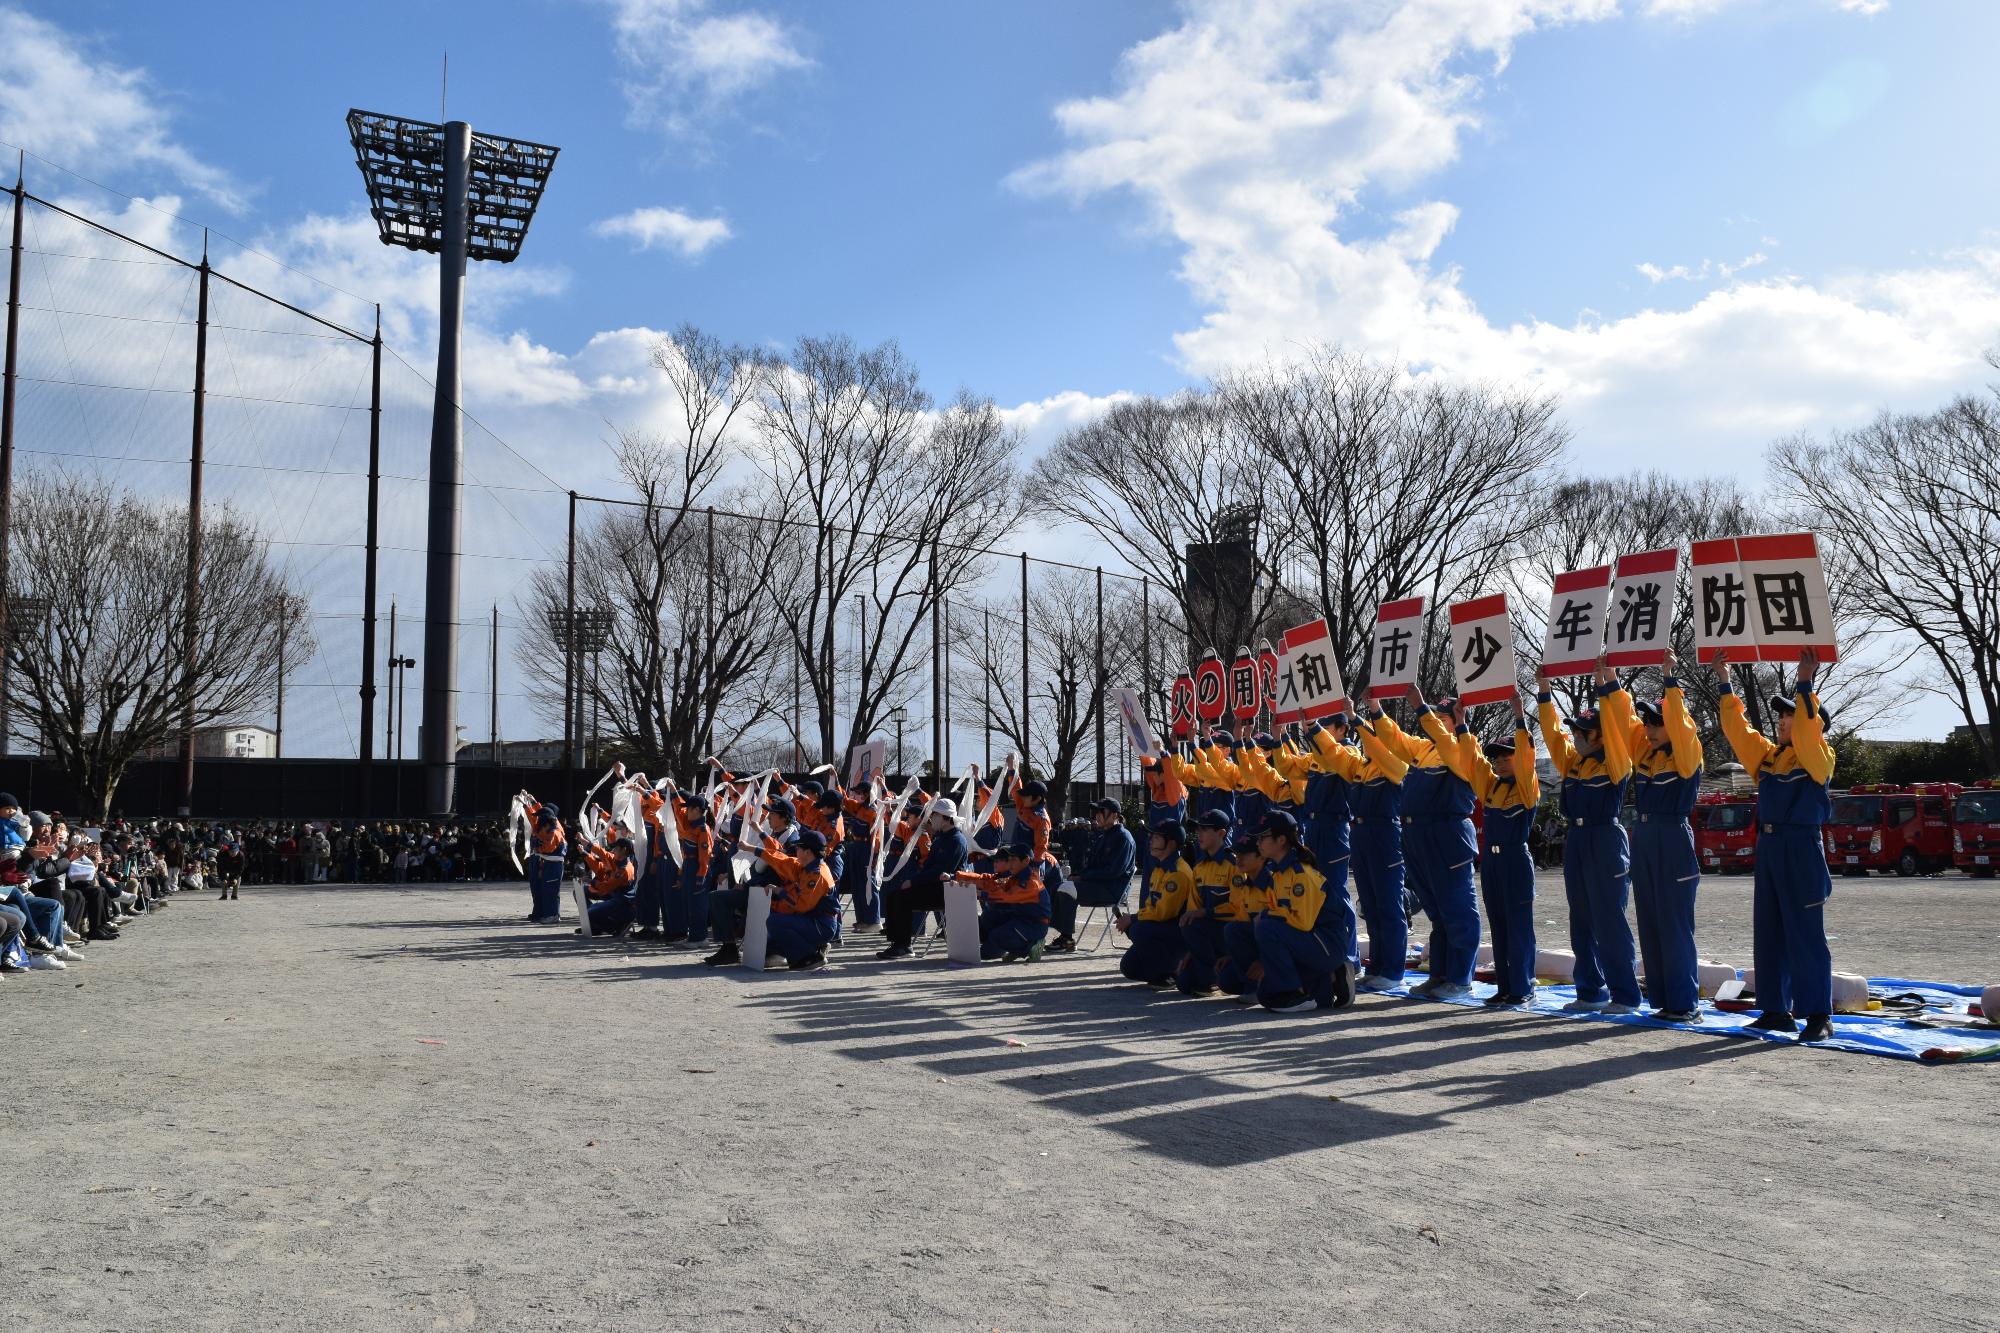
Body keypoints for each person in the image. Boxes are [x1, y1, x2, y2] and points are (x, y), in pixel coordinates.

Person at [1716, 646, 1838, 1043]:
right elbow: (1739, 731)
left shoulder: (1819, 757)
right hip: (1769, 847)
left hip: (1801, 846)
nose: (1783, 721)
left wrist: (1805, 682)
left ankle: (1818, 1014)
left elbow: (1806, 731)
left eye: (1790, 715)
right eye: (1782, 716)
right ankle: (1775, 1009)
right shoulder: (1769, 757)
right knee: (1768, 931)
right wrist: (1724, 681)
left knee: (1805, 933)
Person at [1536, 654, 1640, 1015]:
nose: (1577, 738)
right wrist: (1544, 693)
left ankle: (1625, 994)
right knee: (1580, 918)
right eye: (1576, 732)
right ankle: (1590, 990)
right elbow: (1552, 735)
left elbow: (1617, 725)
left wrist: (1605, 686)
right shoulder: (1574, 762)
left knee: (1609, 918)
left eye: (1584, 733)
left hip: (1605, 839)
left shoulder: (1615, 758)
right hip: (1577, 841)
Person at [1607, 649, 1705, 1022]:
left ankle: (1684, 1003)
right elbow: (1624, 719)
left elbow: (1682, 727)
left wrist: (1670, 680)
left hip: (1673, 837)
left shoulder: (1687, 752)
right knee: (1649, 919)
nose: (1647, 729)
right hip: (1645, 838)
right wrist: (1610, 681)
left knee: (1675, 922)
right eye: (1648, 723)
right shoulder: (1645, 753)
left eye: (1655, 723)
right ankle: (1664, 999)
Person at [1464, 696, 1540, 1007]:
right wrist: (1462, 725)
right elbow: (1474, 762)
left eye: (1506, 758)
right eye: (1496, 759)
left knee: (1519, 926)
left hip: (1515, 859)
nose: (1499, 763)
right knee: (1499, 925)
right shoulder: (1492, 787)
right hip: (1492, 863)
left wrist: (1520, 716)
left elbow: (1527, 759)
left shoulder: (1526, 785)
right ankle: (1506, 986)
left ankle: (1523, 987)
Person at [1250, 811, 1353, 1012]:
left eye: (1263, 837)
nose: (1258, 842)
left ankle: (1295, 994)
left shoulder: (1301, 874)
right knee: (1265, 993)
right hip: (1308, 943)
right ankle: (1333, 979)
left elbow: (1302, 923)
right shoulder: (1278, 874)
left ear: (1281, 840)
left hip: (1327, 943)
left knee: (1266, 925)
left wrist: (1268, 915)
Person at [703, 796, 801, 967]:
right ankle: (729, 947)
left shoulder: (792, 840)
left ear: (785, 817)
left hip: (774, 893)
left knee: (721, 899)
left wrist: (759, 837)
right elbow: (760, 867)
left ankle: (771, 949)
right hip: (758, 889)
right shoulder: (776, 834)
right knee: (716, 897)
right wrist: (747, 884)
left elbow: (780, 866)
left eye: (773, 813)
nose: (768, 817)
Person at [877, 800, 969, 960]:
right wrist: (914, 880)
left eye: (935, 815)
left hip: (945, 891)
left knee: (901, 898)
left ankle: (903, 945)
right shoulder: (940, 838)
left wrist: (913, 882)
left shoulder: (956, 840)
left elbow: (940, 871)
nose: (931, 818)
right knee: (894, 895)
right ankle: (898, 943)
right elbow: (928, 868)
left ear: (946, 817)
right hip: (933, 887)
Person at [1050, 797, 1134, 952]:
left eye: (1102, 811)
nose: (1097, 815)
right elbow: (1091, 867)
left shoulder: (1123, 838)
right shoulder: (1104, 837)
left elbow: (1114, 871)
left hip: (1113, 890)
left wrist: (1083, 877)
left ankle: (1067, 938)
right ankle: (1061, 935)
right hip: (1099, 885)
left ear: (1115, 815)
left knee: (1066, 888)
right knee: (1056, 887)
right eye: (1096, 812)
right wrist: (1079, 875)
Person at [1117, 821, 1193, 986]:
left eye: (1156, 838)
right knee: (1129, 967)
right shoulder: (1159, 869)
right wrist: (1134, 919)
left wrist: (1134, 919)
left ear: (1171, 843)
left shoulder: (1177, 873)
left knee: (1138, 929)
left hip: (1178, 932)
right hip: (1163, 929)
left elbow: (1164, 913)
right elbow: (1152, 907)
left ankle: (1173, 969)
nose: (1150, 840)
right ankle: (1162, 972)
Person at [954, 840, 1050, 962]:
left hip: (1034, 925)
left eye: (1013, 860)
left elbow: (1006, 896)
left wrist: (980, 894)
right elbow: (988, 881)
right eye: (1008, 860)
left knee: (993, 941)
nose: (1010, 864)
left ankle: (1030, 947)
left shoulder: (1031, 883)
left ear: (1026, 861)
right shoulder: (1016, 877)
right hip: (1021, 919)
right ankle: (1016, 948)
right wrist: (957, 876)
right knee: (989, 916)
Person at [761, 827, 840, 971]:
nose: (796, 851)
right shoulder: (810, 866)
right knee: (771, 945)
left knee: (774, 922)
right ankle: (815, 947)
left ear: (808, 852)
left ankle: (809, 957)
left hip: (821, 924)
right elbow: (784, 862)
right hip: (815, 921)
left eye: (798, 848)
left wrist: (781, 893)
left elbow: (801, 906)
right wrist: (756, 851)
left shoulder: (817, 874)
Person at [1177, 811, 1237, 995]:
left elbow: (1238, 908)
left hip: (1229, 935)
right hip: (1208, 937)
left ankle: (1212, 978)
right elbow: (1192, 909)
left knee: (1193, 924)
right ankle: (1208, 973)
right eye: (1198, 829)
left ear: (1221, 833)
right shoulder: (1200, 867)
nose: (1199, 834)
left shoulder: (1234, 865)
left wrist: (1206, 913)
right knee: (1184, 983)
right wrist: (1190, 950)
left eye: (1205, 829)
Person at [579, 821, 640, 937]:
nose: (613, 850)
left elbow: (607, 887)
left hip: (623, 903)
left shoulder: (624, 869)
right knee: (583, 893)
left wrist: (593, 882)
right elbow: (601, 854)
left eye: (616, 848)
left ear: (624, 850)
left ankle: (613, 927)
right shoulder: (616, 859)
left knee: (589, 912)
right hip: (614, 895)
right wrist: (585, 851)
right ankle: (594, 925)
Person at [522, 799, 567, 925]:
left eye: (541, 817)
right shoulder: (546, 826)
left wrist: (538, 848)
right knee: (541, 889)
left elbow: (549, 848)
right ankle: (541, 913)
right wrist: (527, 805)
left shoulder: (554, 832)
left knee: (550, 889)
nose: (538, 819)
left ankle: (552, 915)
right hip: (545, 861)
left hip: (553, 863)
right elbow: (534, 818)